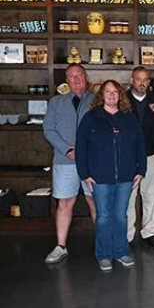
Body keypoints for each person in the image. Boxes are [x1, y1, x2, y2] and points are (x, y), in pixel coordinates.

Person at [76, 80, 146, 271]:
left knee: (121, 216)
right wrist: (85, 174)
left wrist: (141, 170)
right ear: (102, 96)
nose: (111, 95)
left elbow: (140, 145)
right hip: (100, 177)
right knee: (104, 216)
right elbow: (81, 148)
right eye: (107, 91)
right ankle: (104, 254)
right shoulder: (91, 118)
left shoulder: (129, 119)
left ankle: (121, 251)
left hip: (126, 176)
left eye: (115, 92)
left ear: (121, 95)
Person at [43, 63, 97, 264]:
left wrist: (85, 151)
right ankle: (60, 246)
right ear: (66, 81)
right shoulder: (56, 102)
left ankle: (102, 243)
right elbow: (49, 130)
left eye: (79, 75)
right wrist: (67, 149)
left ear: (86, 77)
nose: (76, 80)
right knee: (65, 203)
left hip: (92, 160)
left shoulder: (97, 100)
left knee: (95, 201)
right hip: (65, 160)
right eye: (71, 77)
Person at [126, 66, 154, 249]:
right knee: (128, 197)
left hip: (152, 153)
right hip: (128, 155)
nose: (142, 83)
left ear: (149, 82)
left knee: (152, 195)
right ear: (131, 80)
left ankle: (150, 232)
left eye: (145, 80)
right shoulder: (122, 100)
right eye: (138, 79)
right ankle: (127, 235)